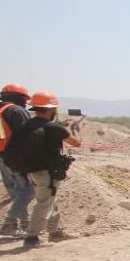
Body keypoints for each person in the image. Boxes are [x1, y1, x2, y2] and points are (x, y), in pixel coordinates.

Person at [11, 92, 82, 247]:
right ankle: (32, 237)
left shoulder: (27, 126)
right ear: (51, 109)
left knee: (49, 199)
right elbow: (76, 143)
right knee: (44, 202)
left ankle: (55, 231)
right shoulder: (54, 128)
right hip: (46, 172)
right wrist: (76, 128)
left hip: (30, 171)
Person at [0, 83, 35, 236]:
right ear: (18, 97)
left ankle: (23, 225)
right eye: (24, 100)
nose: (26, 103)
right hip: (16, 157)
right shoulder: (15, 111)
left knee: (18, 192)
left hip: (1, 156)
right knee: (28, 191)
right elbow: (29, 134)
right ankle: (9, 224)